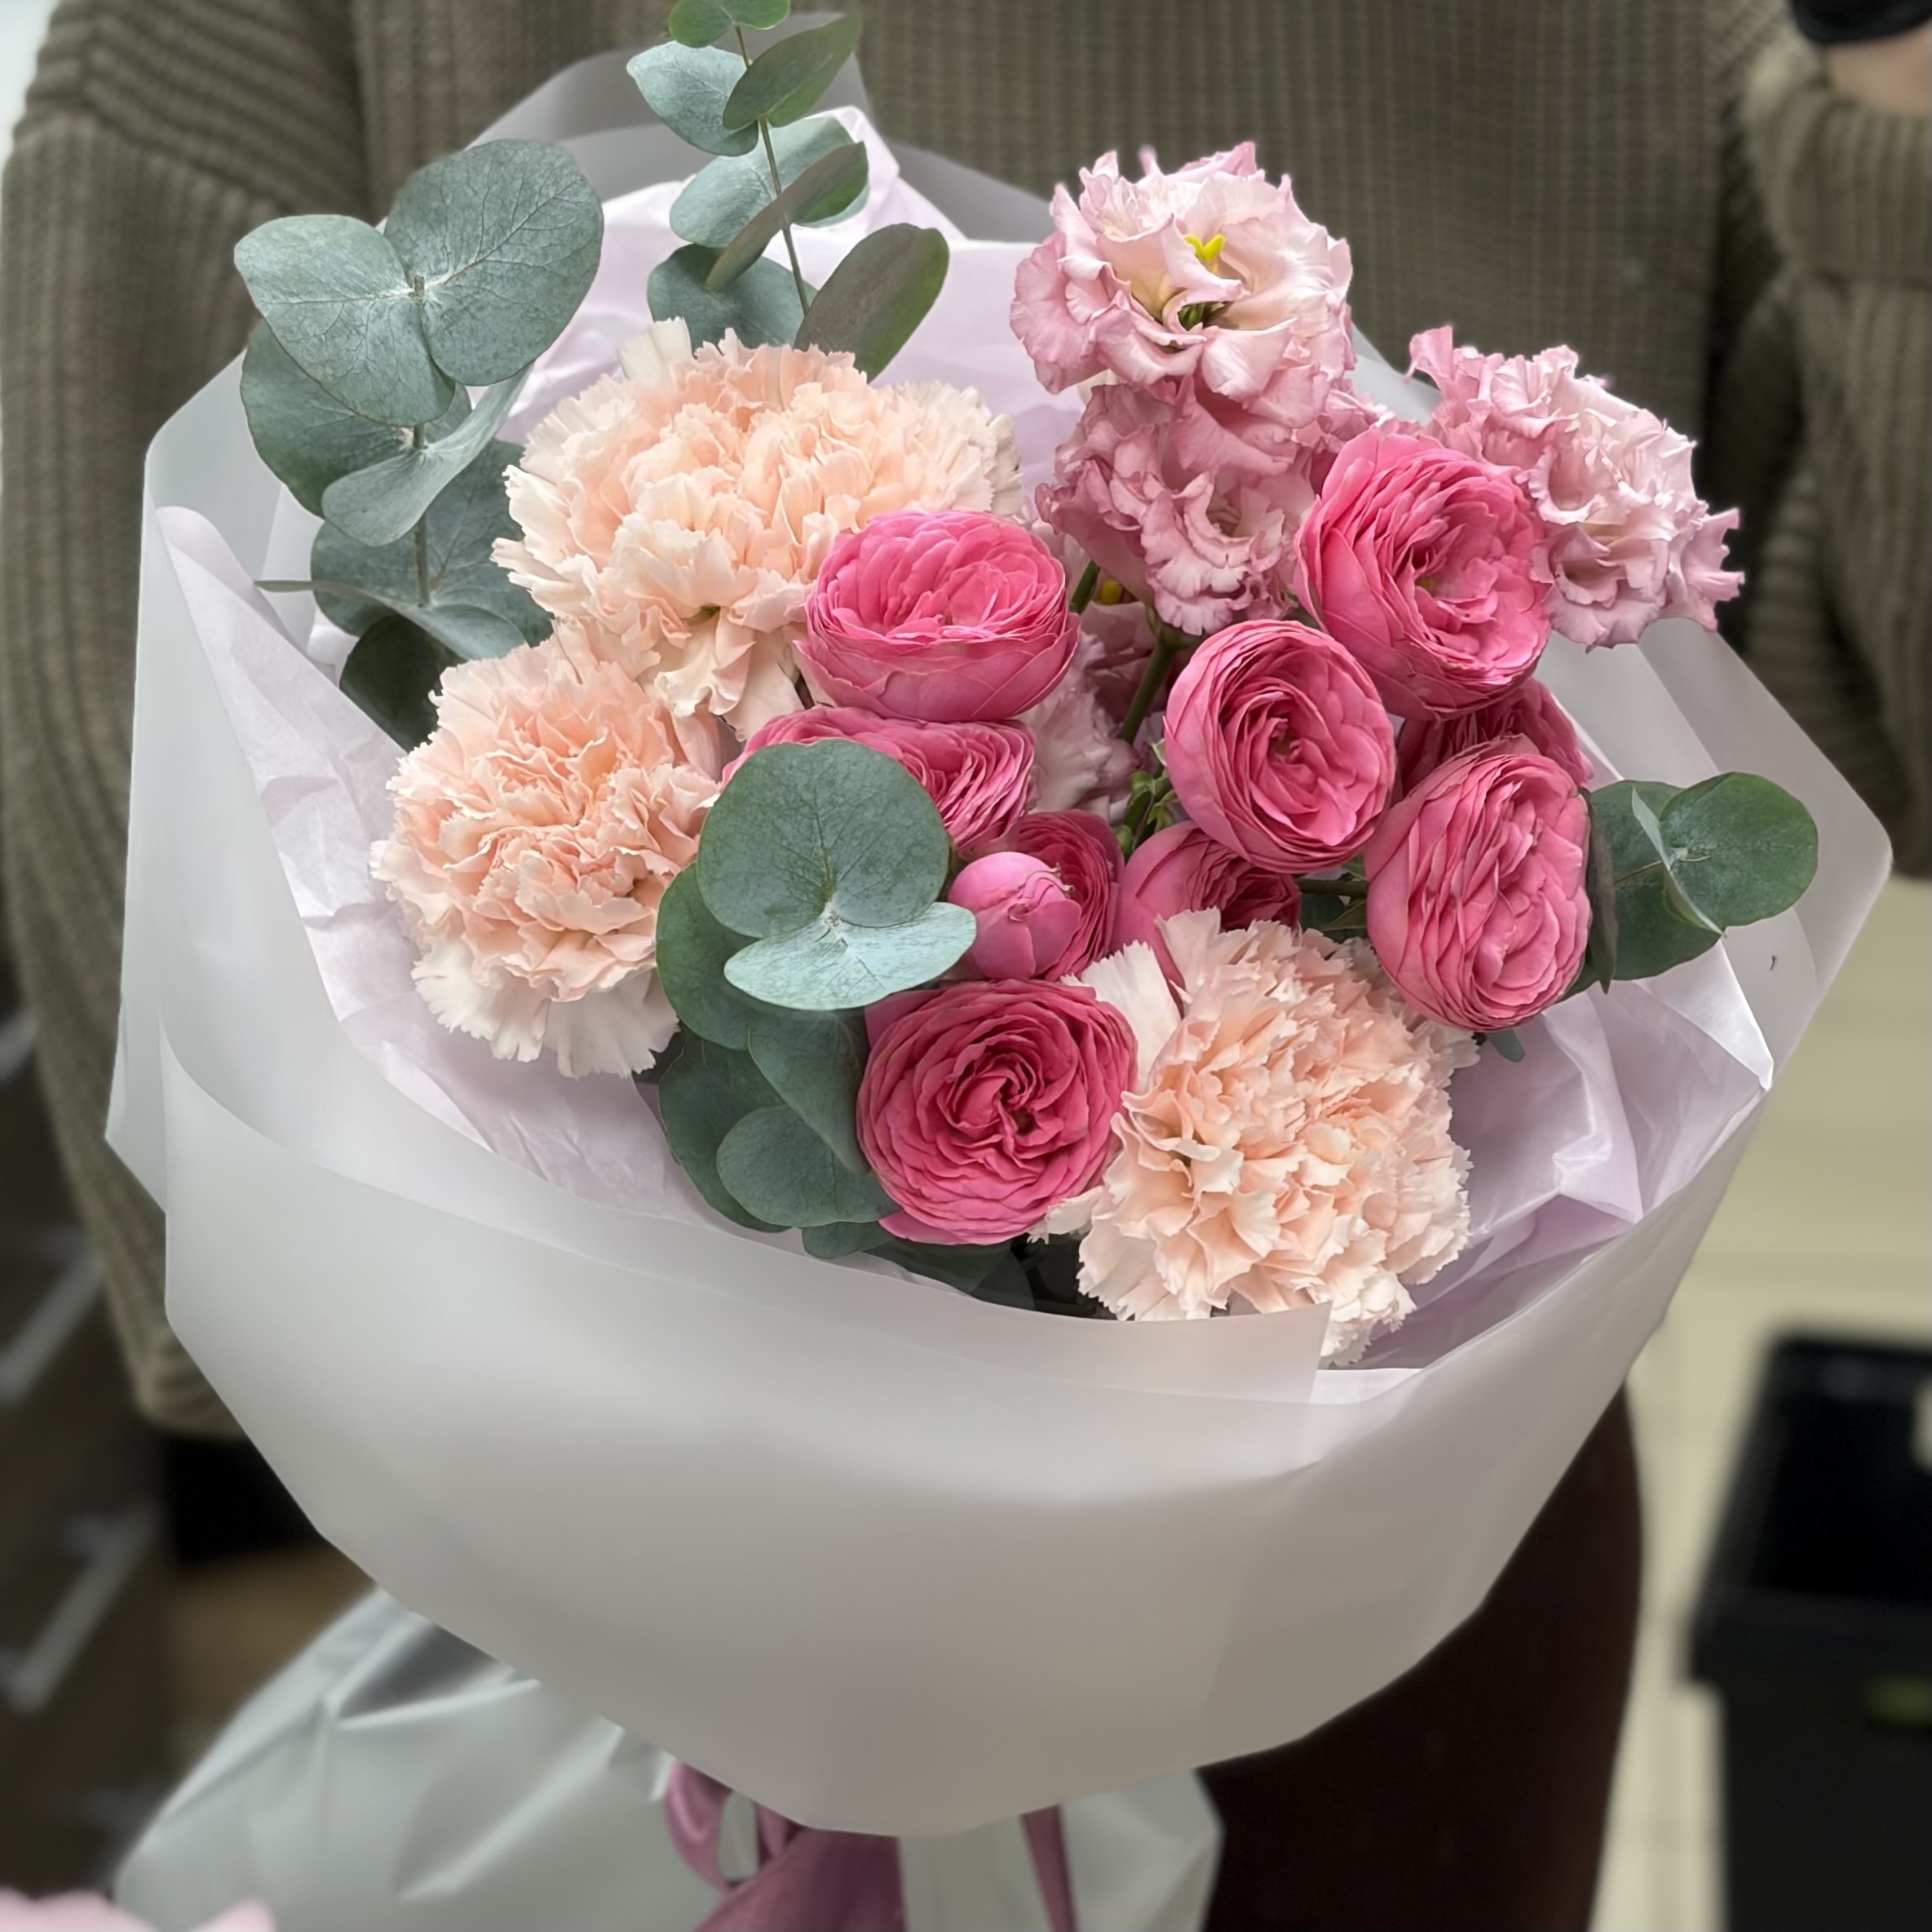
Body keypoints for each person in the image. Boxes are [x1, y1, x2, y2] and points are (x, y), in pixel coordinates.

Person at [0, 2, 1924, 1925]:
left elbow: (1867, 721)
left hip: (1382, 1541)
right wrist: (616, 1425)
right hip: (591, 1556)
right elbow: (125, 710)